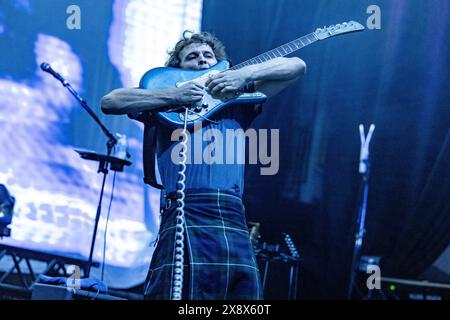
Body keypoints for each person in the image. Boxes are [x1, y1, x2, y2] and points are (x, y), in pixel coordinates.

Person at [101, 30, 306, 300]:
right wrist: (174, 97)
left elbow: (296, 66)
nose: (202, 60)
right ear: (178, 70)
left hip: (230, 211)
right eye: (192, 57)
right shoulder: (165, 105)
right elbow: (111, 101)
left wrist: (244, 76)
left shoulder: (238, 98)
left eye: (208, 56)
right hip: (184, 209)